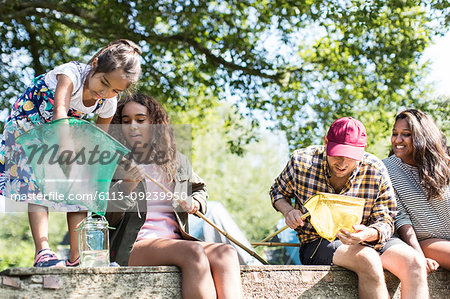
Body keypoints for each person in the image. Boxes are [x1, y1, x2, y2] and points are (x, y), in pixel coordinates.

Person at [0, 39, 142, 267]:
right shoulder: (71, 74)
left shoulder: (107, 102)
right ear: (95, 64)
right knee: (37, 186)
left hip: (65, 135)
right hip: (28, 129)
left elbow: (97, 140)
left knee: (80, 187)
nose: (104, 93)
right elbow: (60, 111)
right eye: (103, 83)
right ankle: (43, 252)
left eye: (114, 90)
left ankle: (78, 256)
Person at [269, 117, 429, 299]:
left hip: (369, 239)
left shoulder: (375, 169)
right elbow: (277, 192)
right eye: (337, 154)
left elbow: (386, 220)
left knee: (414, 262)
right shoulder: (301, 162)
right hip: (318, 242)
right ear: (326, 142)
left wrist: (367, 234)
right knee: (368, 259)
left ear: (363, 150)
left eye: (351, 156)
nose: (342, 163)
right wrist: (288, 211)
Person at [106, 93, 242, 299]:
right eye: (126, 121)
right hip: (133, 246)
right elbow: (103, 215)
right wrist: (126, 187)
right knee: (193, 252)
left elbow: (199, 189)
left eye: (140, 120)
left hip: (174, 242)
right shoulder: (116, 162)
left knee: (227, 254)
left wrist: (195, 202)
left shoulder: (175, 161)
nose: (133, 125)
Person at [383, 109, 450, 272]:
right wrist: (418, 255)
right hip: (427, 241)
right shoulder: (386, 169)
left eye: (406, 134)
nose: (397, 140)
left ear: (422, 136)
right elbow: (401, 218)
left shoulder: (444, 163)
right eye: (395, 133)